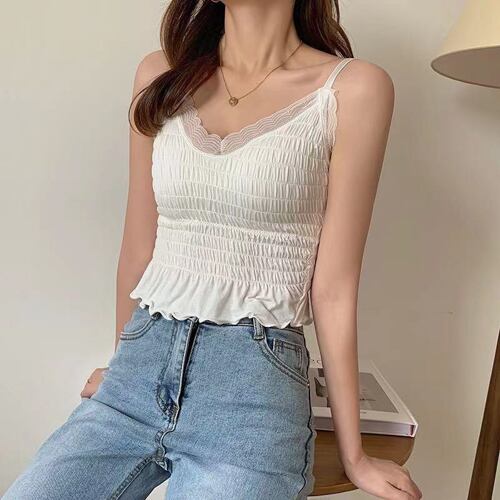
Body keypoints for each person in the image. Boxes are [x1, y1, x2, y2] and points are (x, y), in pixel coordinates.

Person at [3, 0, 423, 499]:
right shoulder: (159, 75)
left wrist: (355, 455)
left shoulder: (353, 88)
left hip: (252, 393)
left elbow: (333, 288)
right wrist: (121, 363)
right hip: (140, 365)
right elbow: (138, 247)